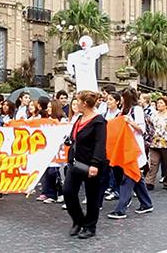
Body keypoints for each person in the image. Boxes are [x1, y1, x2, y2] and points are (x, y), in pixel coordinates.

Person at [62, 90, 107, 239]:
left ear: (85, 103)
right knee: (68, 192)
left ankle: (90, 226)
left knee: (92, 196)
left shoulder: (99, 121)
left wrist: (95, 164)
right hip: (75, 162)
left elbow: (100, 144)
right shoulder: (79, 118)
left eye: (78, 101)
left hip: (91, 164)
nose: (76, 104)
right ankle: (78, 220)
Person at [107, 87, 153, 220]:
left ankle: (121, 209)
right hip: (126, 147)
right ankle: (146, 203)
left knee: (128, 177)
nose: (120, 98)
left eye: (122, 96)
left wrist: (130, 122)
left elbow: (142, 129)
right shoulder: (123, 110)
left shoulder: (136, 110)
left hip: (134, 148)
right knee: (136, 176)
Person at [146, 96, 167, 190]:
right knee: (153, 162)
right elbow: (150, 126)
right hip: (155, 141)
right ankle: (149, 181)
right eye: (158, 103)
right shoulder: (154, 114)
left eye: (161, 103)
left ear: (166, 104)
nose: (159, 105)